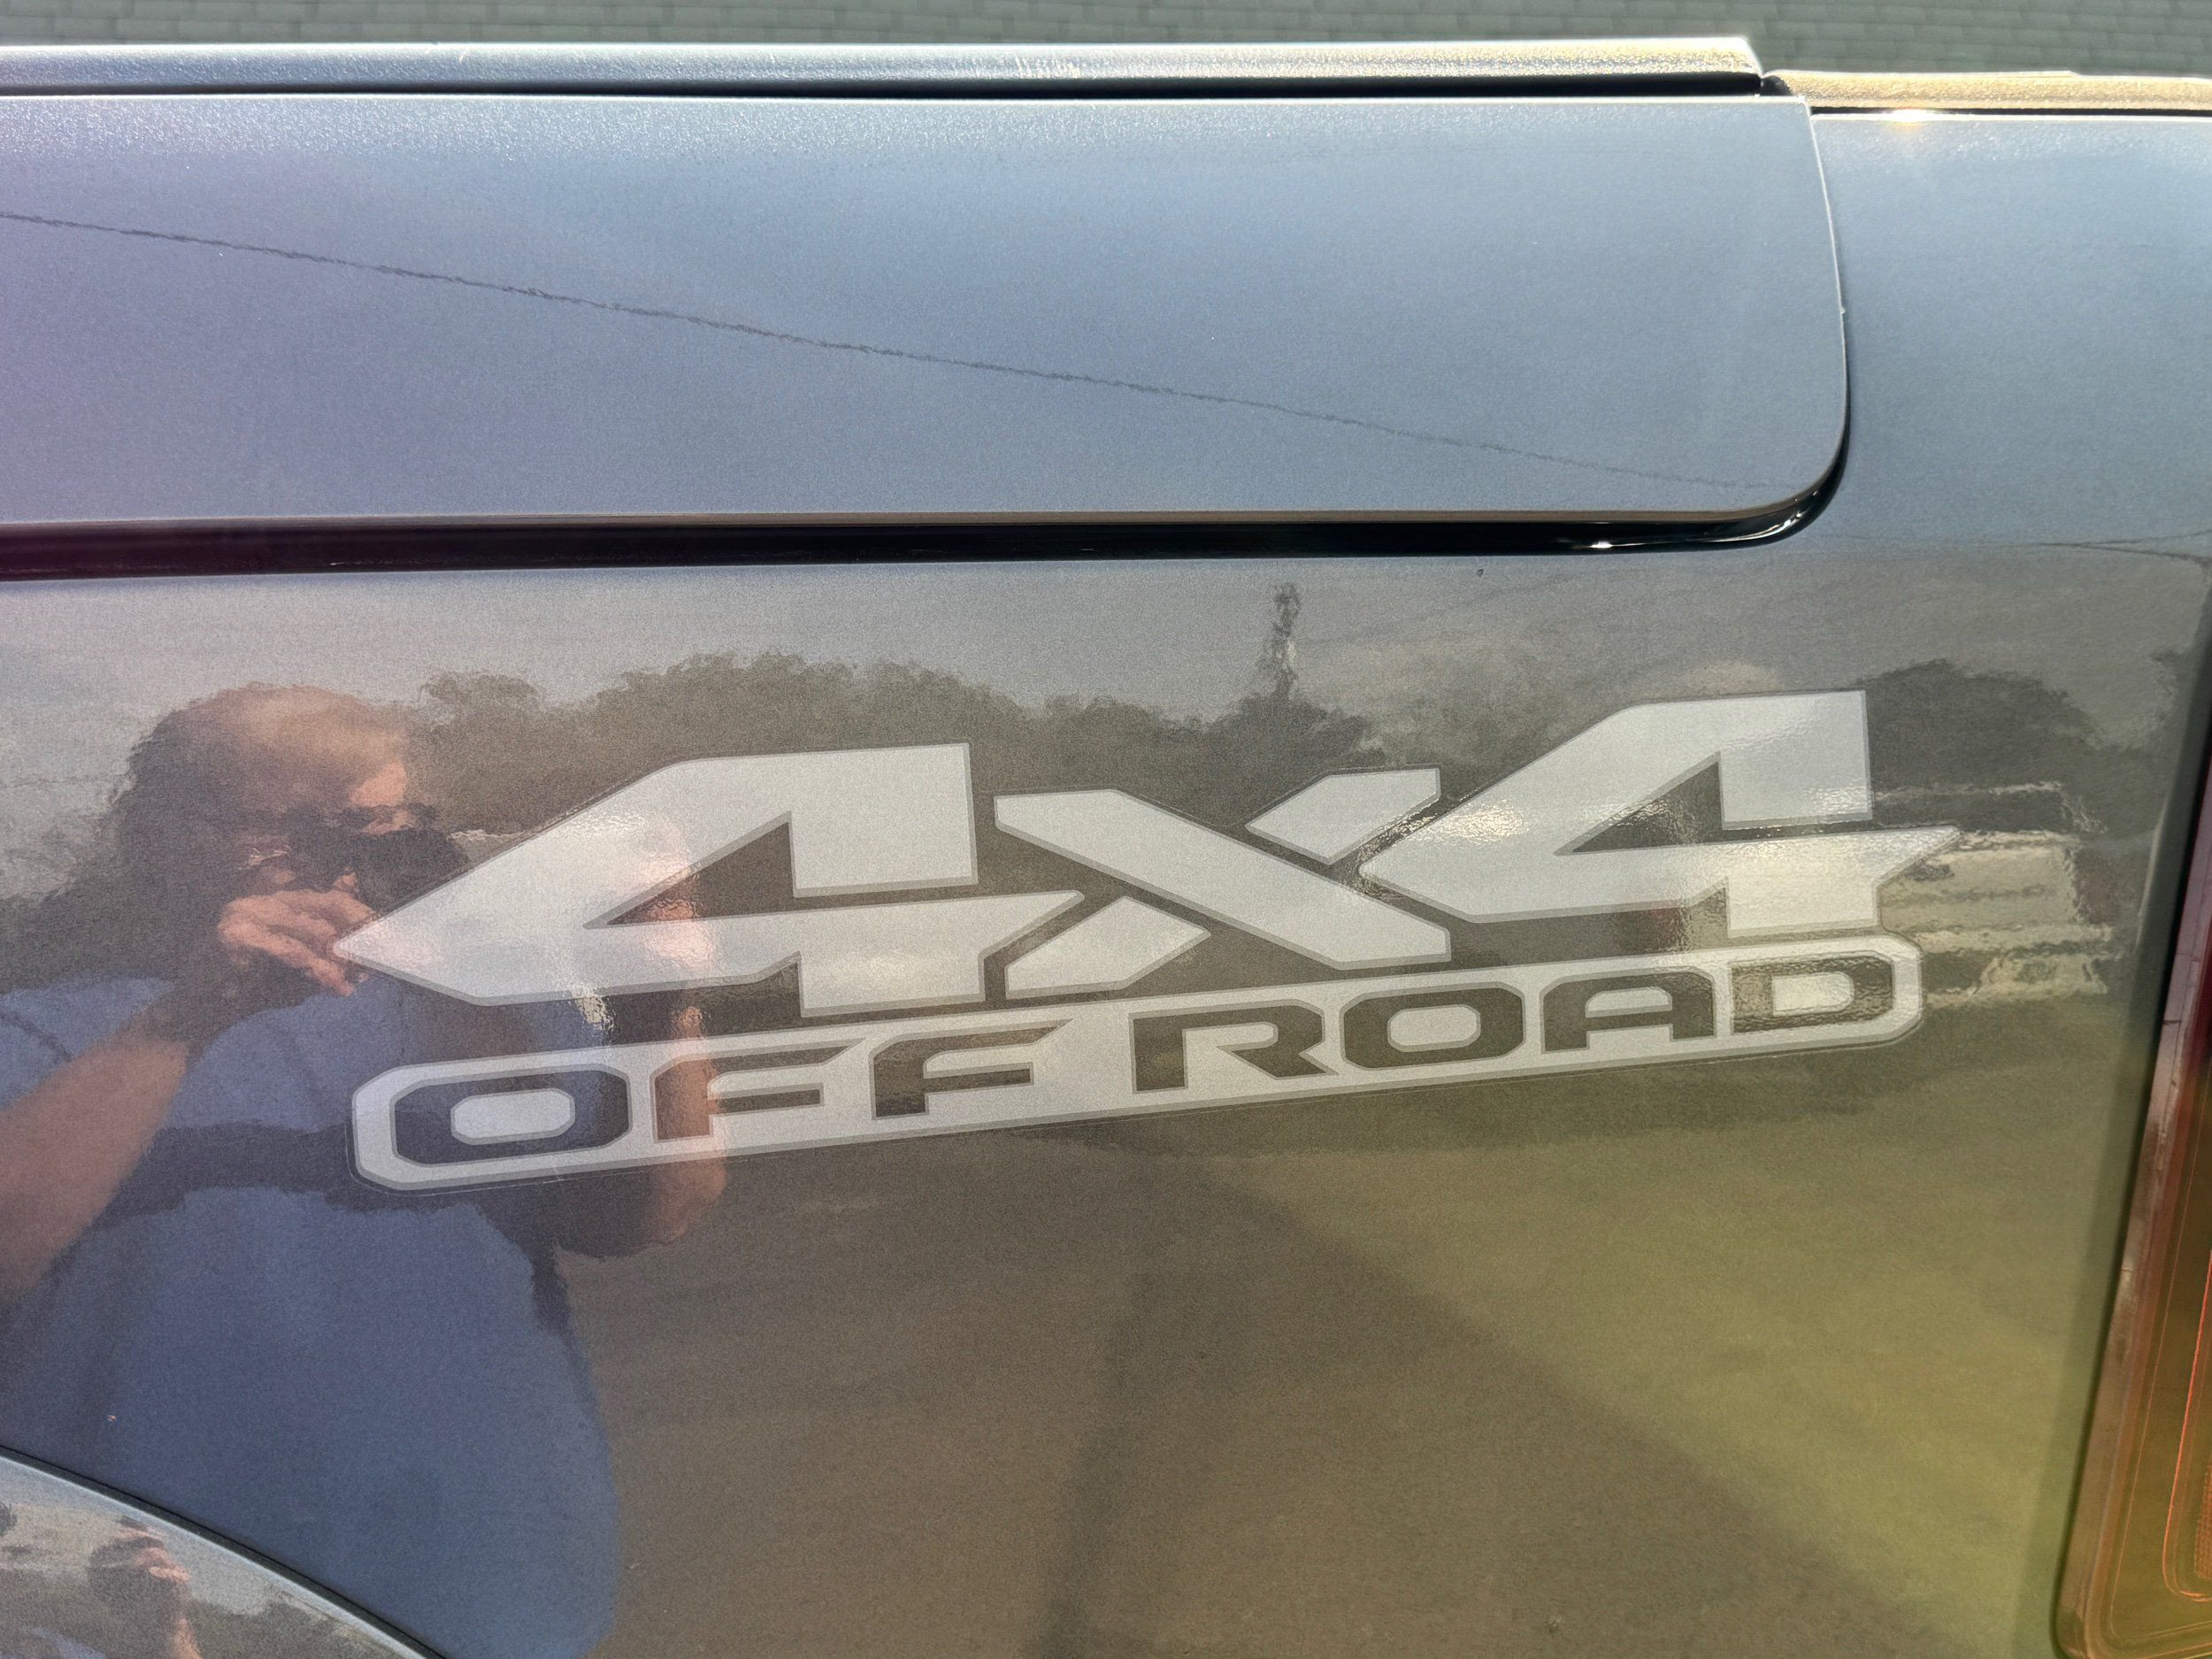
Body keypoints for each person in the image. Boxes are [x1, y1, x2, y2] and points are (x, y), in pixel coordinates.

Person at [0, 686, 723, 1659]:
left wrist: (659, 1000)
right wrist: (190, 1015)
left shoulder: (476, 1005)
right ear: (164, 839)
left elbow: (640, 1217)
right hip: (186, 1596)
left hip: (493, 1586)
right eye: (300, 829)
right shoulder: (46, 1020)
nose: (350, 864)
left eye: (387, 829)